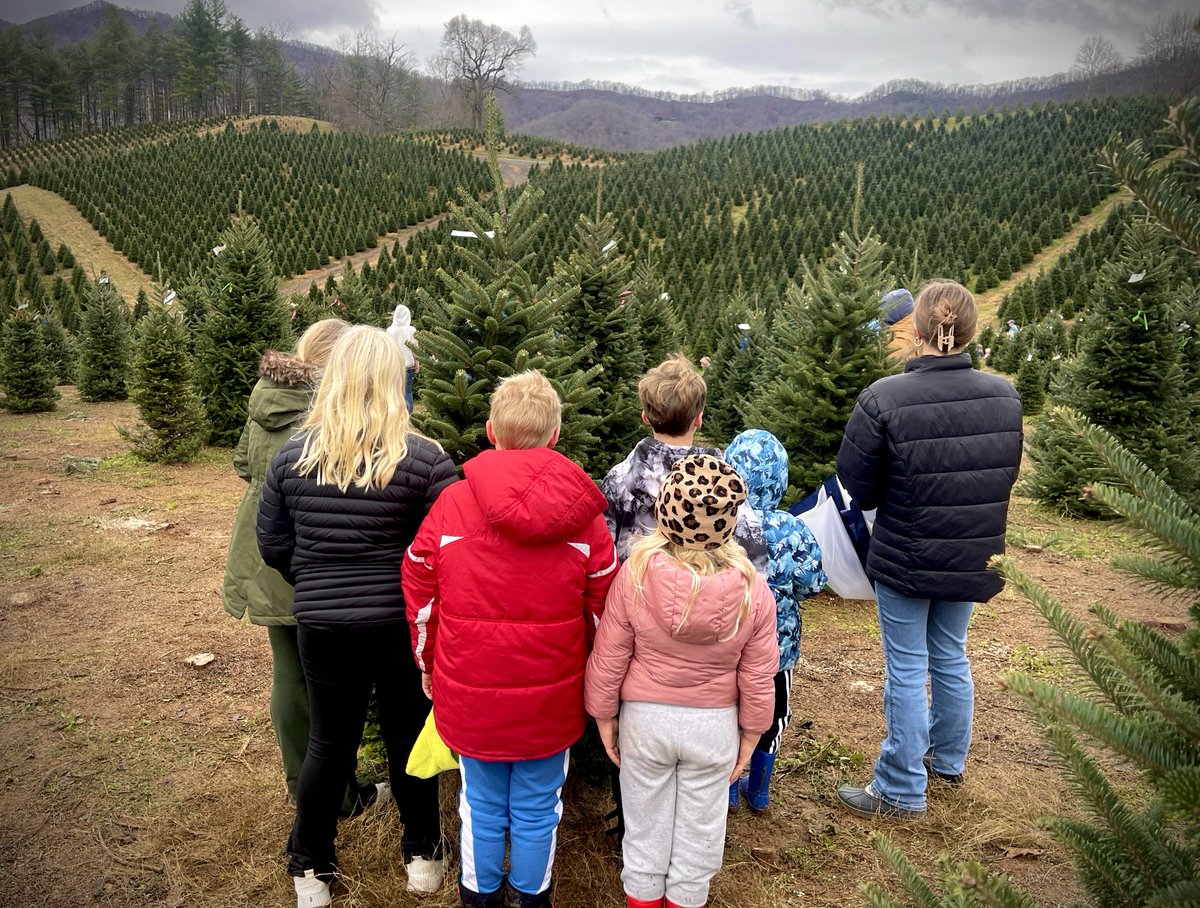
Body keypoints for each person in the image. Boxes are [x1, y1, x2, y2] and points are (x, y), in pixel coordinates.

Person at [256, 325, 458, 907]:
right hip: (398, 625)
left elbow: (274, 544)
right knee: (405, 736)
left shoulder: (293, 457)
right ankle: (422, 856)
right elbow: (450, 544)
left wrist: (316, 581)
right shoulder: (423, 461)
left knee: (329, 742)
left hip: (322, 625)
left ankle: (310, 870)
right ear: (395, 380)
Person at [402, 370, 618, 908]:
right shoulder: (585, 519)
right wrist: (589, 675)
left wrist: (427, 661)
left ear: (490, 429)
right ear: (555, 436)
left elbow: (420, 586)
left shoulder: (453, 504)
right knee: (539, 804)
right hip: (552, 699)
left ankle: (479, 896)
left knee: (479, 803)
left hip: (471, 693)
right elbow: (603, 610)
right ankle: (532, 895)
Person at [834, 279, 1023, 820]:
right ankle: (946, 759)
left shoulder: (884, 398)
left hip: (906, 555)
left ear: (915, 331)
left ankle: (899, 788)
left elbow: (858, 484)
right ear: (970, 331)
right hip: (971, 554)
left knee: (908, 664)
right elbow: (1003, 475)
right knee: (950, 653)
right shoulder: (1005, 396)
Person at [585, 454, 779, 908]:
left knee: (644, 829)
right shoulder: (754, 589)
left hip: (646, 723)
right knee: (699, 837)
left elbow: (610, 654)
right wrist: (752, 734)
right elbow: (757, 674)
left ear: (665, 512)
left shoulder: (633, 573)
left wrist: (604, 716)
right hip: (713, 727)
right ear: (729, 522)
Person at [221, 317, 381, 817]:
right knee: (333, 680)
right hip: (314, 554)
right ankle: (340, 792)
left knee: (289, 672)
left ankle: (302, 784)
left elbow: (244, 464)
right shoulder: (331, 409)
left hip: (264, 550)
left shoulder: (265, 396)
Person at [723, 430, 827, 813]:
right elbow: (813, 582)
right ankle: (760, 788)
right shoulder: (793, 528)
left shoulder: (721, 524)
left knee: (732, 708)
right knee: (774, 711)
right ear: (780, 478)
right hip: (777, 649)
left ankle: (728, 788)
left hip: (730, 644)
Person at [601, 354, 768, 572]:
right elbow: (755, 560)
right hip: (709, 600)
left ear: (645, 416)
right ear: (698, 418)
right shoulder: (724, 485)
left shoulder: (619, 480)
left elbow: (604, 555)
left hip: (636, 597)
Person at [387, 303, 419, 413]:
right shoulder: (411, 330)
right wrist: (417, 362)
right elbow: (415, 348)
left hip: (394, 366)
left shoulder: (390, 330)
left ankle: (395, 414)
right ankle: (407, 415)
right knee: (408, 391)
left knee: (394, 391)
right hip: (408, 366)